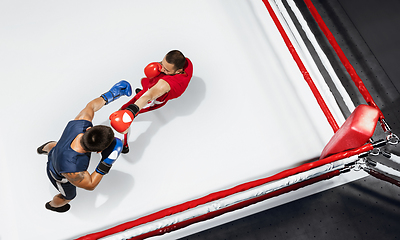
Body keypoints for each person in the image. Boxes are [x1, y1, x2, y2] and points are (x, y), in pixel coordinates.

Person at [36, 80, 132, 213]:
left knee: (55, 147)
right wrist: (107, 162)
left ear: (88, 129)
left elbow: (91, 106)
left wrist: (112, 94)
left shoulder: (80, 124)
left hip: (58, 150)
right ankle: (53, 205)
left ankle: (42, 149)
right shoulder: (73, 169)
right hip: (56, 172)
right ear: (99, 151)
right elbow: (91, 184)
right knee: (69, 196)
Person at [110, 50, 193, 153]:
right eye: (162, 64)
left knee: (122, 113)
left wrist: (131, 111)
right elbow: (164, 67)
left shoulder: (167, 84)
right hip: (152, 85)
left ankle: (124, 145)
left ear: (178, 71)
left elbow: (149, 96)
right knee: (147, 78)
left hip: (152, 98)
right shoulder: (186, 63)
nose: (162, 69)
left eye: (166, 70)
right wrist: (160, 65)